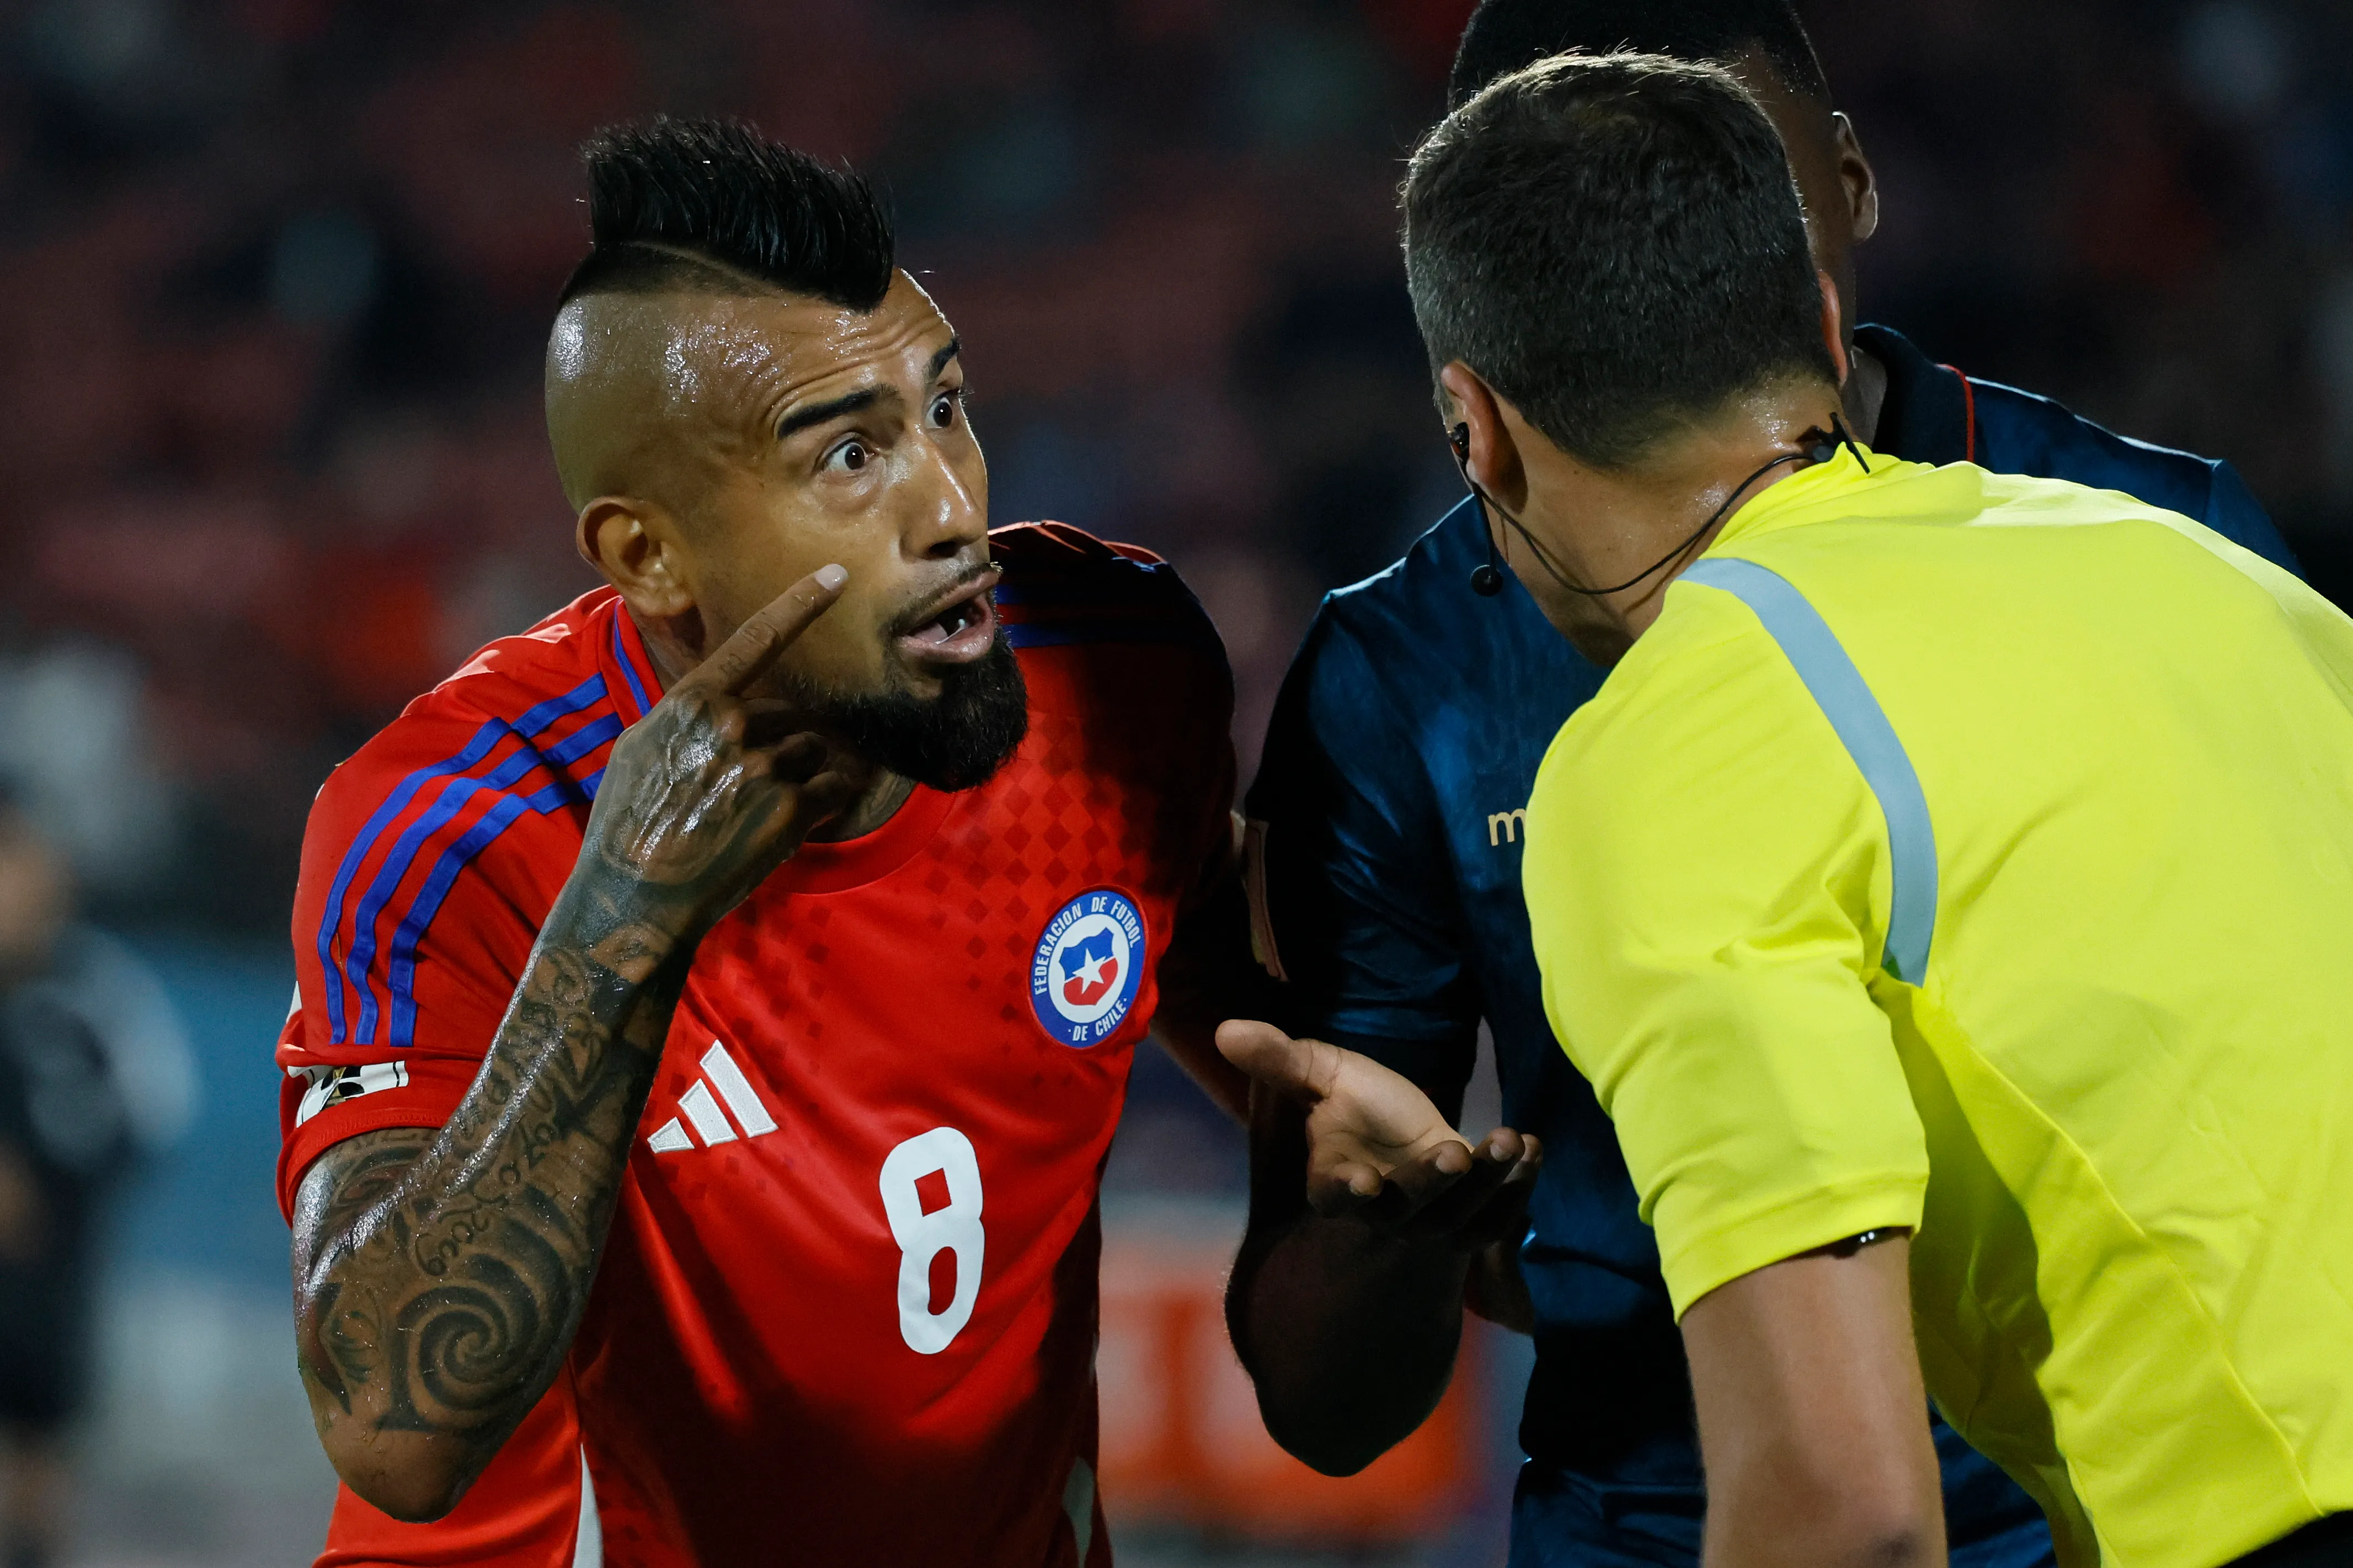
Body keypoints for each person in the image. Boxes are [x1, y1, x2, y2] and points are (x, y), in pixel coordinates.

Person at [1233, 47, 2353, 1567]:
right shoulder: (2203, 569)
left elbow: (1847, 1516)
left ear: (1475, 430)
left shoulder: (1669, 754)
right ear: (1822, 325)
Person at [277, 119, 1239, 1567]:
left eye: (948, 407)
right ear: (647, 555)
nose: (951, 506)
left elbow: (1306, 1072)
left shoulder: (1111, 665)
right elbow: (393, 1423)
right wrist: (624, 914)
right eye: (850, 453)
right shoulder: (450, 821)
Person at [0, 800, 194, 1568]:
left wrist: (57, 1184)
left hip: (52, 1267)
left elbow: (158, 1108)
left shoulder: (100, 990)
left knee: (42, 1436)